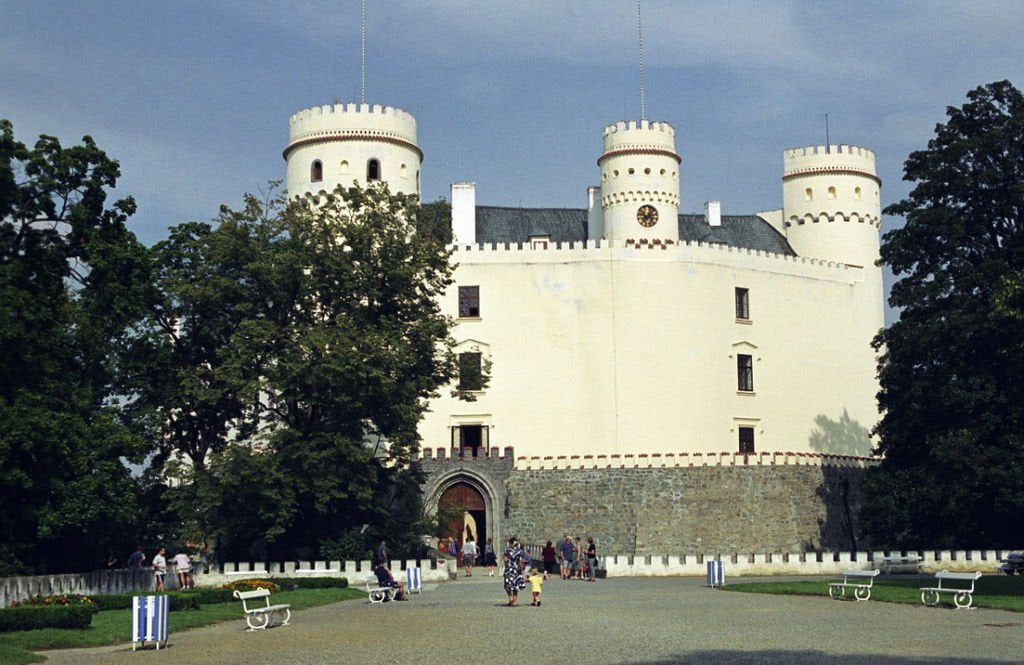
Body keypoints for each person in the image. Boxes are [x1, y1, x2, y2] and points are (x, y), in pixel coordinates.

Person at [502, 537, 526, 606]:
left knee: (508, 585)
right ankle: (514, 601)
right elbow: (520, 561)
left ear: (510, 543)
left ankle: (510, 599)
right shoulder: (519, 551)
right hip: (517, 570)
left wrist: (507, 565)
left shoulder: (506, 550)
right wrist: (522, 570)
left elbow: (505, 560)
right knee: (516, 586)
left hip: (509, 570)